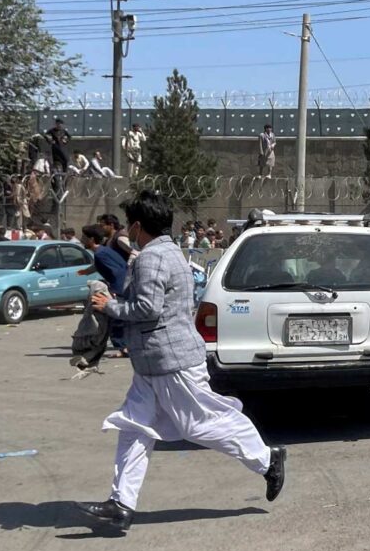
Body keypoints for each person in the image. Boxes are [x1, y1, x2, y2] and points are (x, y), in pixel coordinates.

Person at [75, 191, 286, 533]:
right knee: (133, 428)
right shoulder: (167, 253)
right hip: (152, 363)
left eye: (130, 225)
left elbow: (148, 309)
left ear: (139, 226)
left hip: (170, 360)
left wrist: (108, 307)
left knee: (199, 424)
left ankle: (267, 459)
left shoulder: (152, 258)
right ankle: (121, 504)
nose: (128, 231)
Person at [77, 224, 129, 355]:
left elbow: (117, 271)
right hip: (123, 286)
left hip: (120, 288)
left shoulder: (101, 254)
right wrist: (85, 272)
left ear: (92, 239)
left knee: (115, 318)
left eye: (84, 237)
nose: (81, 240)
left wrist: (114, 291)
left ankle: (123, 348)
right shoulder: (104, 251)